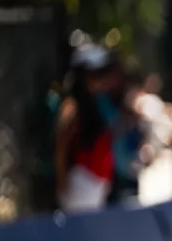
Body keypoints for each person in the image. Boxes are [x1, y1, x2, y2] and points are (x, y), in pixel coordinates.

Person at [53, 44, 154, 212]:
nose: (101, 79)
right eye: (95, 74)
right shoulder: (72, 107)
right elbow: (60, 148)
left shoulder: (98, 103)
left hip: (97, 186)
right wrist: (62, 181)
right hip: (80, 186)